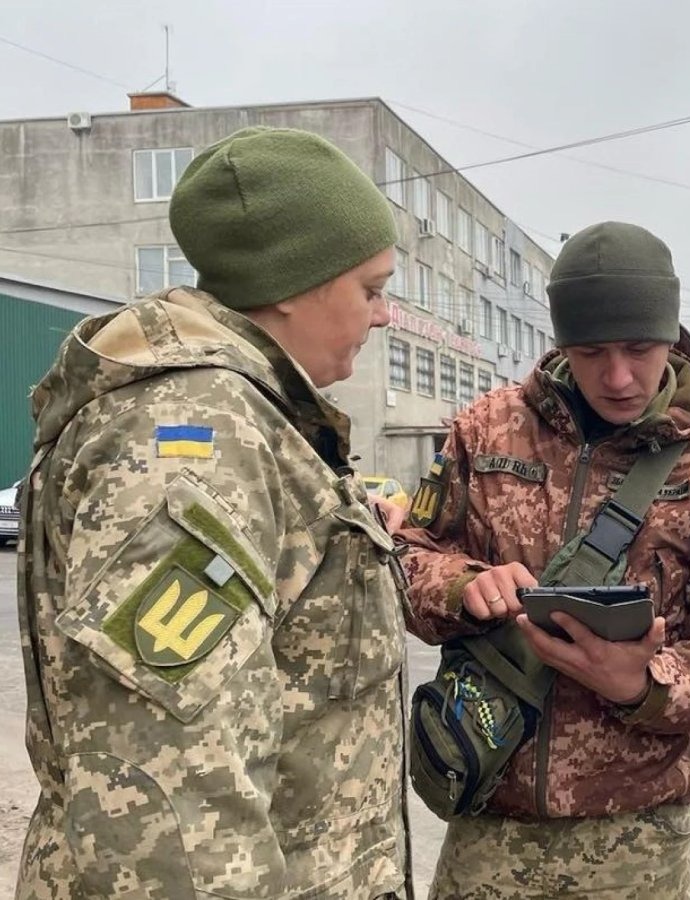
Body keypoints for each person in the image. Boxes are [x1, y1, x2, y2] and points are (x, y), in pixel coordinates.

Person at [16, 127, 413, 898]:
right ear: (293, 284)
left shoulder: (248, 421)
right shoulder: (196, 436)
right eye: (370, 290)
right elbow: (172, 806)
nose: (384, 316)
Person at [400, 221, 690, 898]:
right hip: (490, 819)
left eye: (639, 349)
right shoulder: (485, 432)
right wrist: (461, 586)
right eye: (590, 352)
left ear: (670, 336)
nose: (617, 376)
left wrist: (644, 683)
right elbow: (408, 555)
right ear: (561, 344)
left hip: (636, 841)